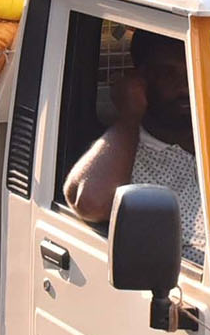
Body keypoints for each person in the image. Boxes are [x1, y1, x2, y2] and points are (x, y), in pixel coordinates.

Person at [64, 29, 202, 256]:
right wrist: (129, 117)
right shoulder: (124, 157)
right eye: (168, 73)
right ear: (139, 81)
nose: (185, 86)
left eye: (193, 71)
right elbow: (91, 202)